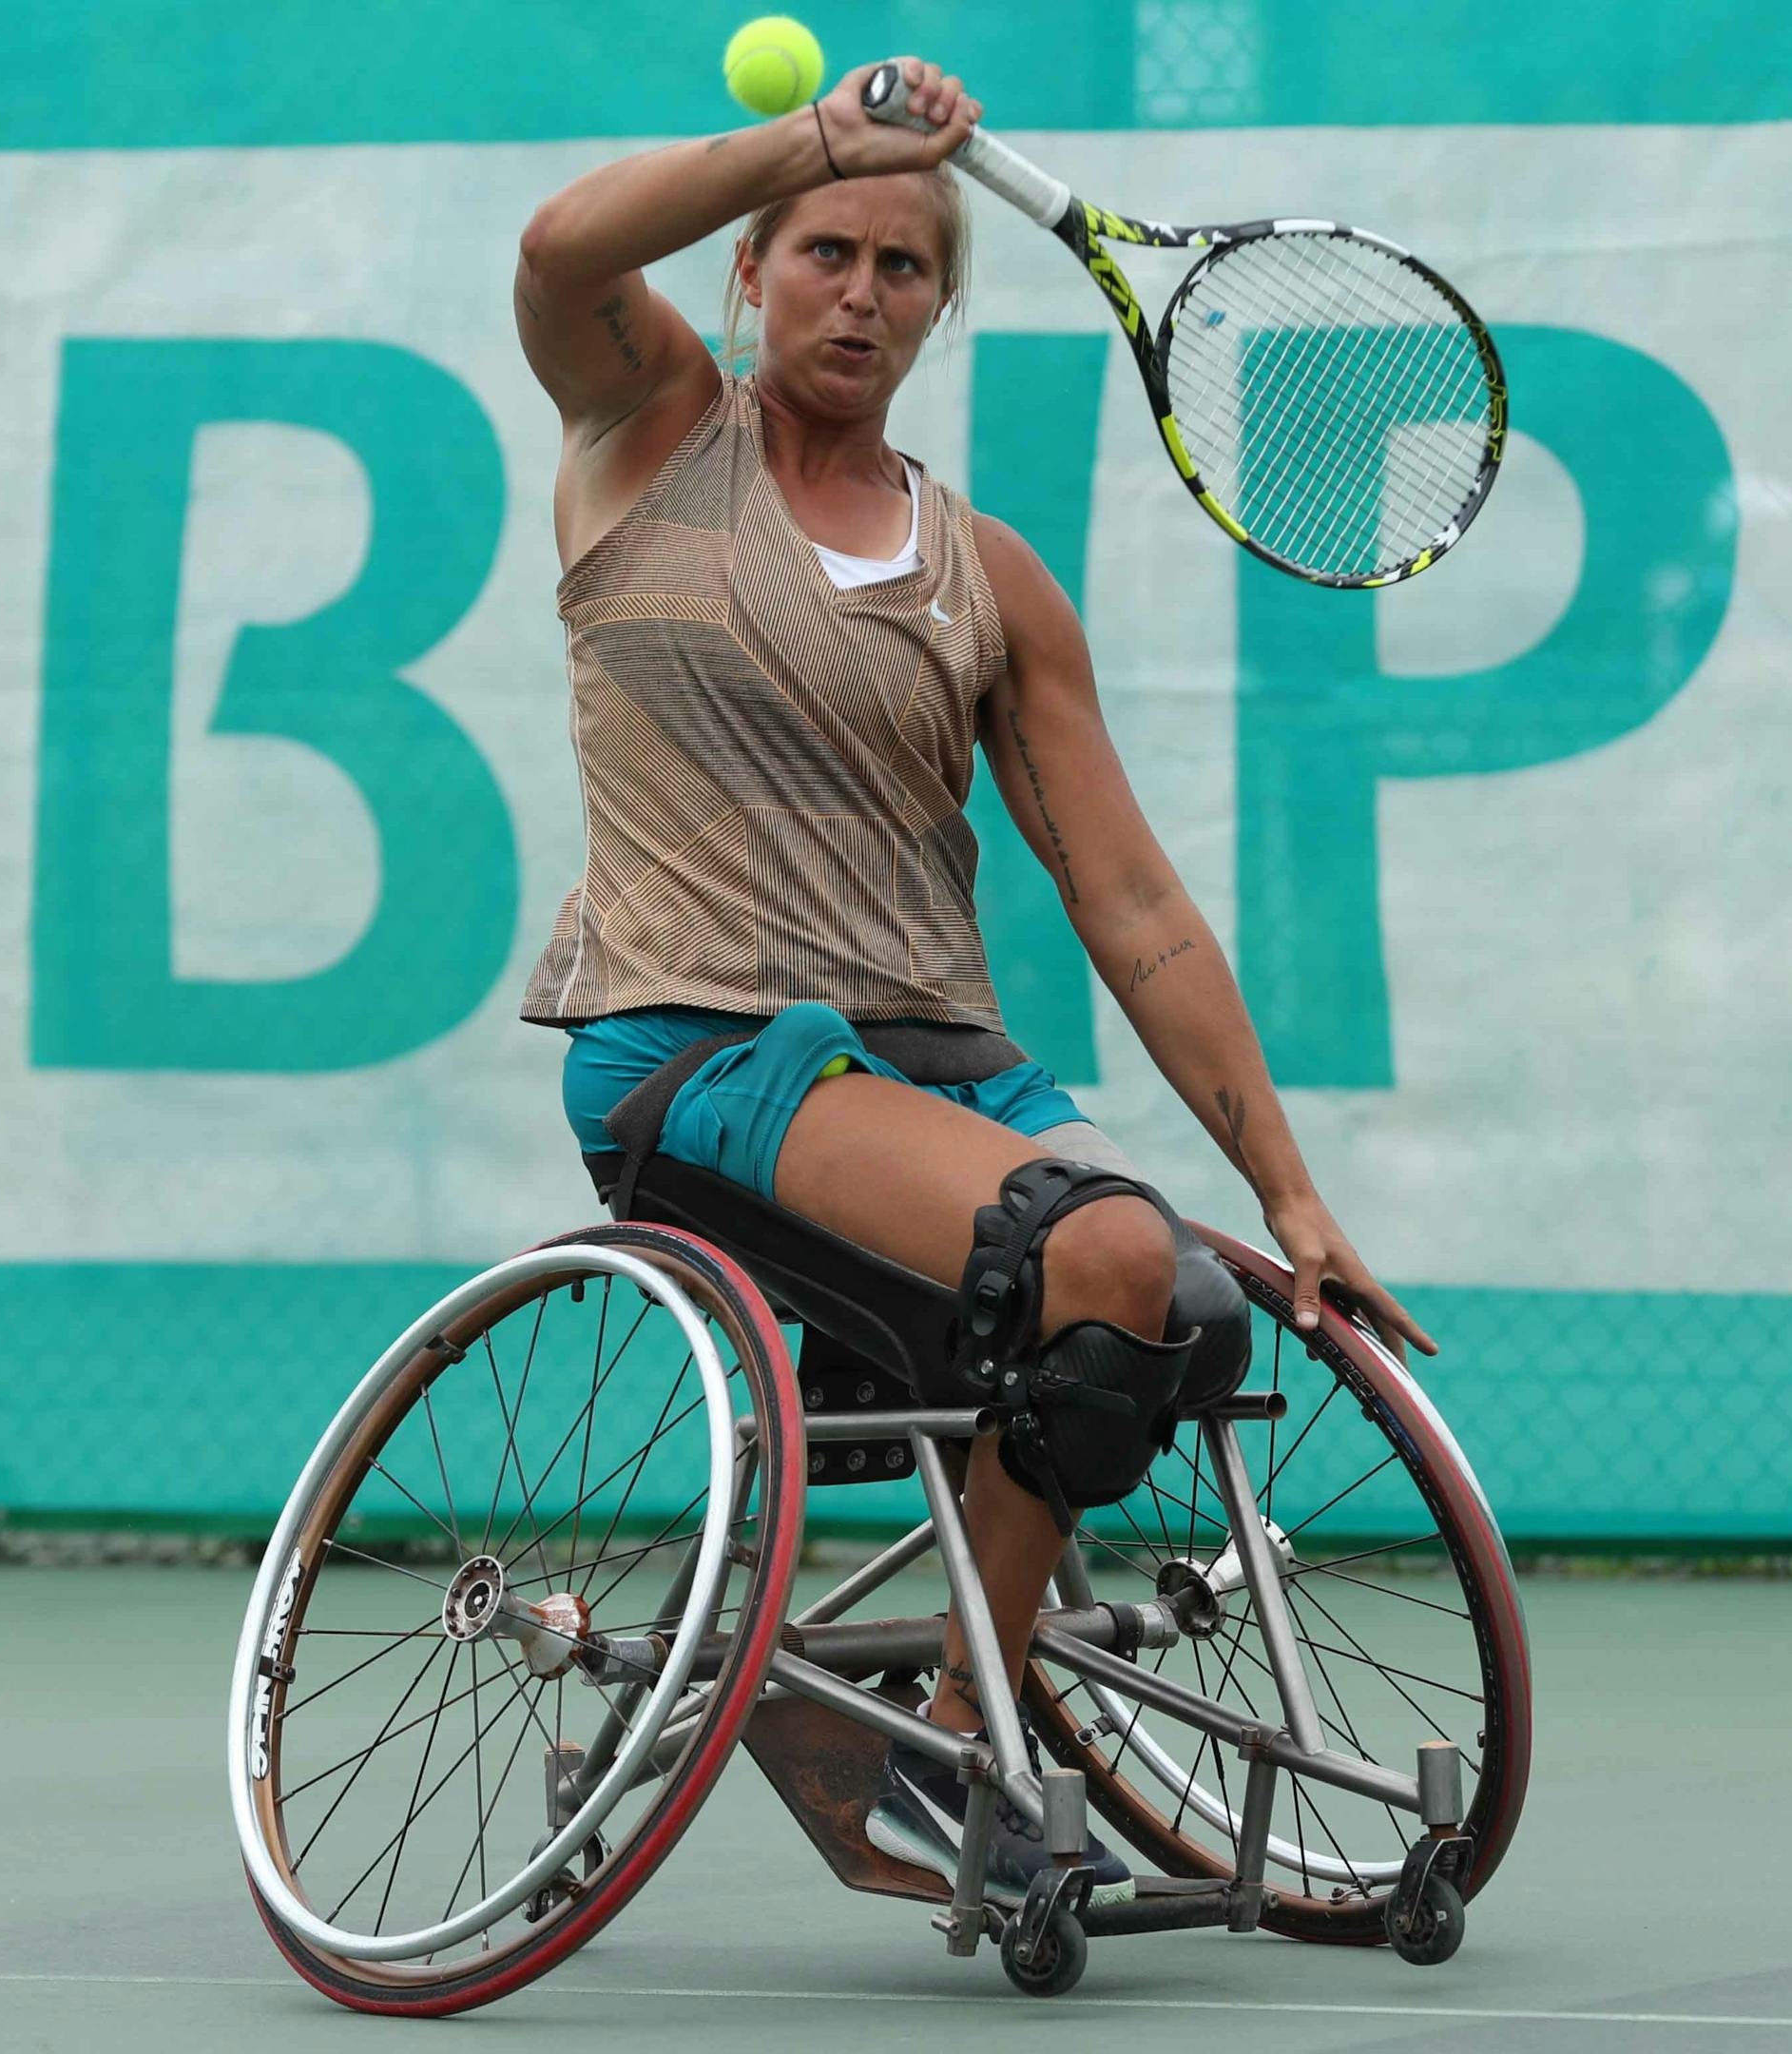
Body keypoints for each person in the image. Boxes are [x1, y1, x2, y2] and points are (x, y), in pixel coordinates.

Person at [511, 53, 1436, 1907]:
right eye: (825, 254)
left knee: (1188, 1302)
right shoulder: (646, 437)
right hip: (700, 1061)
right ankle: (964, 1741)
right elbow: (555, 249)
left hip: (942, 1073)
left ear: (940, 305)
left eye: (903, 267)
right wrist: (822, 139)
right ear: (748, 273)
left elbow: (1137, 906)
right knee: (1090, 1257)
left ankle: (963, 1705)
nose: (861, 291)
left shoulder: (990, 574)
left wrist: (1289, 1191)